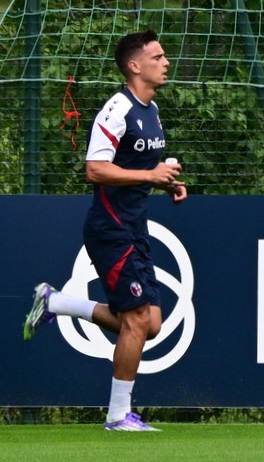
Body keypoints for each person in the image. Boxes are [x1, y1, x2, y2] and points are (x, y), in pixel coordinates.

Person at [22, 29, 187, 431]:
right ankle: (117, 416)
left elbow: (137, 168)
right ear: (135, 66)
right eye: (158, 56)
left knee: (150, 325)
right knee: (134, 321)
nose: (166, 62)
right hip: (111, 229)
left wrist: (165, 182)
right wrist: (151, 173)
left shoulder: (152, 110)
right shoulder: (117, 109)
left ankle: (56, 303)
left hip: (134, 227)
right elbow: (94, 169)